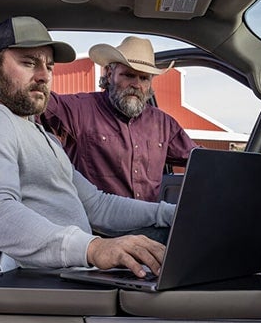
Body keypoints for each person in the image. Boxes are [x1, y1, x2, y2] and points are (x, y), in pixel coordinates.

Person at [0, 16, 174, 277]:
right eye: (29, 63)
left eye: (49, 67)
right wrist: (93, 248)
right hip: (48, 285)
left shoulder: (39, 133)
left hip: (78, 271)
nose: (44, 76)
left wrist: (170, 213)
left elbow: (98, 205)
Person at [41, 36, 198, 202]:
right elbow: (38, 102)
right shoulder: (80, 110)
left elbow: (200, 159)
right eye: (129, 75)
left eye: (144, 78)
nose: (136, 85)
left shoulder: (163, 124)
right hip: (95, 218)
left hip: (148, 217)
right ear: (109, 74)